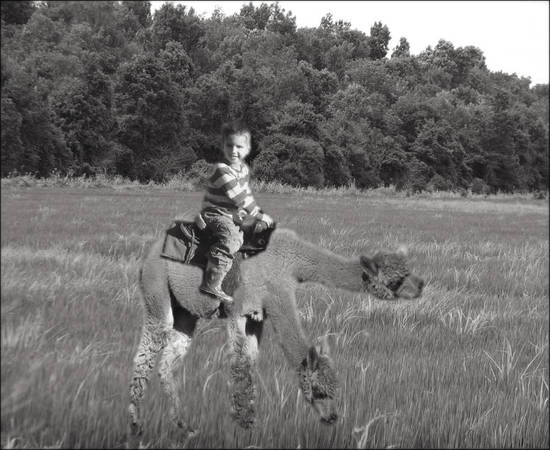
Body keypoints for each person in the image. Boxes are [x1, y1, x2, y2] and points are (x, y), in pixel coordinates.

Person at [197, 119, 273, 307]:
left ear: (247, 148)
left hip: (230, 213)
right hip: (215, 213)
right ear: (223, 146)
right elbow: (239, 197)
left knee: (255, 236)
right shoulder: (222, 170)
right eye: (229, 145)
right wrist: (258, 214)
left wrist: (244, 214)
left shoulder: (244, 170)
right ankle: (212, 283)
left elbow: (245, 194)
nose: (234, 151)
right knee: (233, 239)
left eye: (239, 146)